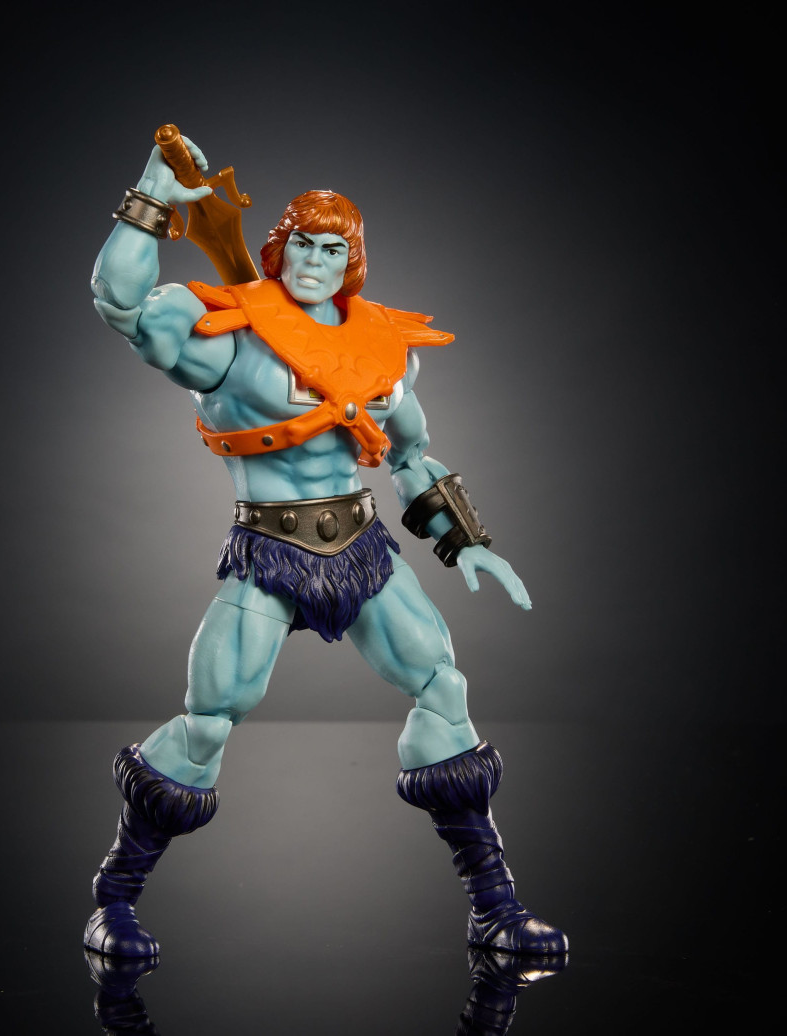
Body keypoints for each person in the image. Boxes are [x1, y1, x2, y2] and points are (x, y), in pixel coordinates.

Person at [83, 134, 567, 961]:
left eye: (332, 249)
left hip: (362, 548)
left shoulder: (381, 344)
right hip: (269, 550)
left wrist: (467, 542)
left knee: (443, 687)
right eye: (302, 244)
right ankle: (115, 900)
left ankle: (495, 908)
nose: (314, 261)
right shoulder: (231, 333)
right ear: (280, 249)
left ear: (353, 262)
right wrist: (150, 196)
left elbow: (411, 453)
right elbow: (121, 307)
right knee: (208, 722)